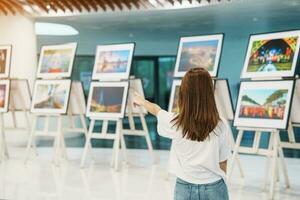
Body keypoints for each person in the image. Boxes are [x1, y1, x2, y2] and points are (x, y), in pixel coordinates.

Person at [133, 67, 231, 200]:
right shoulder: (221, 125)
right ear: (209, 93)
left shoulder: (175, 123)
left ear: (184, 93)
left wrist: (141, 101)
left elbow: (156, 110)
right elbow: (223, 162)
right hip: (214, 187)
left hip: (184, 188)